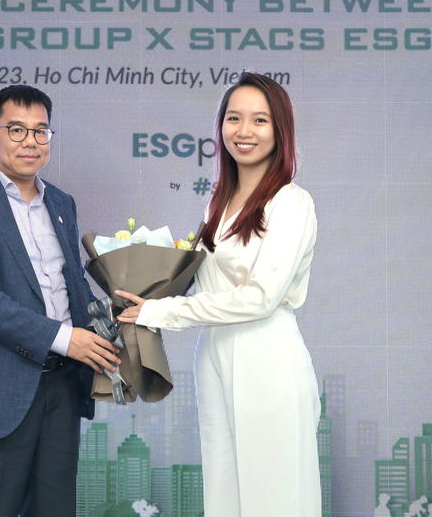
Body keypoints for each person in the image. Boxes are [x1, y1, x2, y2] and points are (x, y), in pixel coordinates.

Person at [116, 72, 321, 516]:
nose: (244, 131)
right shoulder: (219, 204)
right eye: (233, 118)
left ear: (280, 129)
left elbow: (260, 298)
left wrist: (162, 310)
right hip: (214, 355)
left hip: (265, 356)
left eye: (259, 120)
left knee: (274, 500)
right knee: (224, 498)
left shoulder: (290, 202)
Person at [0, 84, 121, 517]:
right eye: (16, 130)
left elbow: (69, 285)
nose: (30, 142)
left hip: (61, 388)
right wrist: (63, 338)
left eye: (41, 132)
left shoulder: (61, 202)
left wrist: (116, 314)